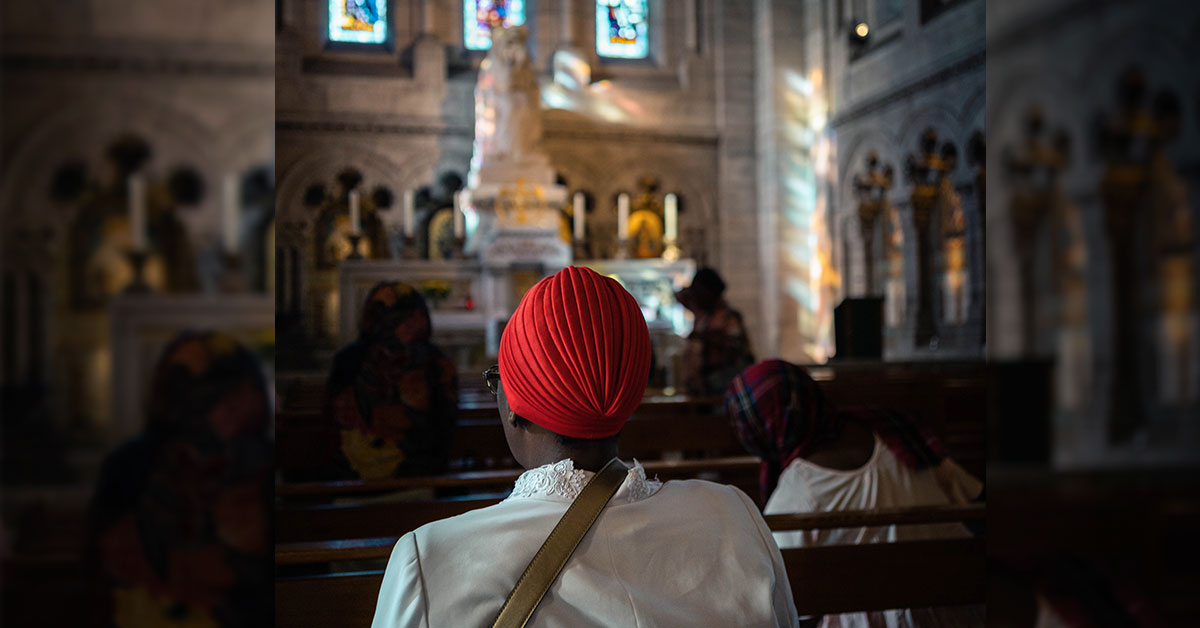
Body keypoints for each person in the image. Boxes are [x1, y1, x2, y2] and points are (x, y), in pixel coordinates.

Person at [372, 266, 798, 627]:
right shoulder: (733, 518)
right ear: (631, 390)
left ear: (516, 406)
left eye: (497, 379)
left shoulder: (429, 561)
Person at [726, 359, 984, 627]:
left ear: (764, 430)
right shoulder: (896, 430)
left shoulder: (797, 492)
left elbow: (779, 596)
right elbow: (967, 493)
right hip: (959, 603)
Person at [87, 332, 273, 628]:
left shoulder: (258, 461)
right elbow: (105, 569)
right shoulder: (131, 464)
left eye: (219, 389)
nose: (201, 406)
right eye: (188, 389)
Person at [325, 281, 458, 480]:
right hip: (422, 477)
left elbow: (330, 422)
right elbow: (447, 426)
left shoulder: (349, 358)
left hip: (352, 476)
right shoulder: (437, 361)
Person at [677, 267, 755, 396]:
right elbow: (680, 297)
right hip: (703, 385)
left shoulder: (728, 317)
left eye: (699, 291)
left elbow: (735, 345)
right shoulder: (703, 315)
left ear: (710, 292)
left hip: (724, 384)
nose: (696, 296)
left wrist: (704, 337)